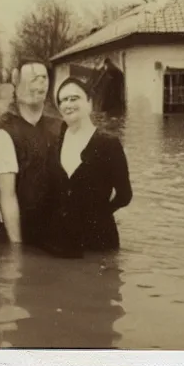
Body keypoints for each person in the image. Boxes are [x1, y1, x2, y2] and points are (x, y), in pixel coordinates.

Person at [0, 58, 61, 246]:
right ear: (16, 80)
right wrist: (16, 250)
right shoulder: (1, 131)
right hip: (17, 236)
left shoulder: (58, 126)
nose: (39, 84)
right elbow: (7, 196)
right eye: (33, 78)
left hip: (54, 234)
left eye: (43, 78)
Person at [45, 76, 132, 258]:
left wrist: (99, 214)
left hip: (98, 240)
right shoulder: (54, 142)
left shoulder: (109, 144)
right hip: (61, 241)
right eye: (63, 100)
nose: (68, 104)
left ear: (90, 103)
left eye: (74, 98)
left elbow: (125, 195)